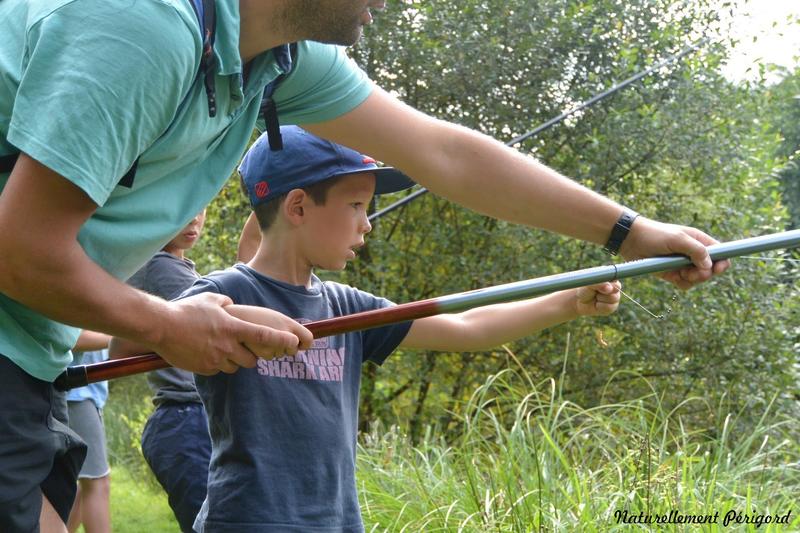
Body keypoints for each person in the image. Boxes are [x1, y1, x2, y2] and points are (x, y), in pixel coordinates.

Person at [0, 2, 726, 530]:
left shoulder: (276, 57)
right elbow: (20, 249)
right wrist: (166, 322)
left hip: (30, 352)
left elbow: (443, 153)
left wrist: (629, 233)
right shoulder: (144, 28)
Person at [149, 127, 620, 531]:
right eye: (355, 205)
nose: (367, 224)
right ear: (297, 207)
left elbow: (466, 327)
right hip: (249, 520)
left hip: (336, 520)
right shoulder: (224, 294)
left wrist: (568, 302)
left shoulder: (348, 306)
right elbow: (162, 329)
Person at [125, 211, 213, 533]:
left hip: (184, 420)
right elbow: (226, 319)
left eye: (201, 208)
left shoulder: (163, 263)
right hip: (187, 417)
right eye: (185, 209)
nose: (194, 220)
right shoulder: (162, 267)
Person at [65, 331, 113, 533]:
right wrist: (121, 337)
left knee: (78, 488)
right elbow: (70, 336)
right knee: (97, 483)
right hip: (75, 394)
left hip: (79, 392)